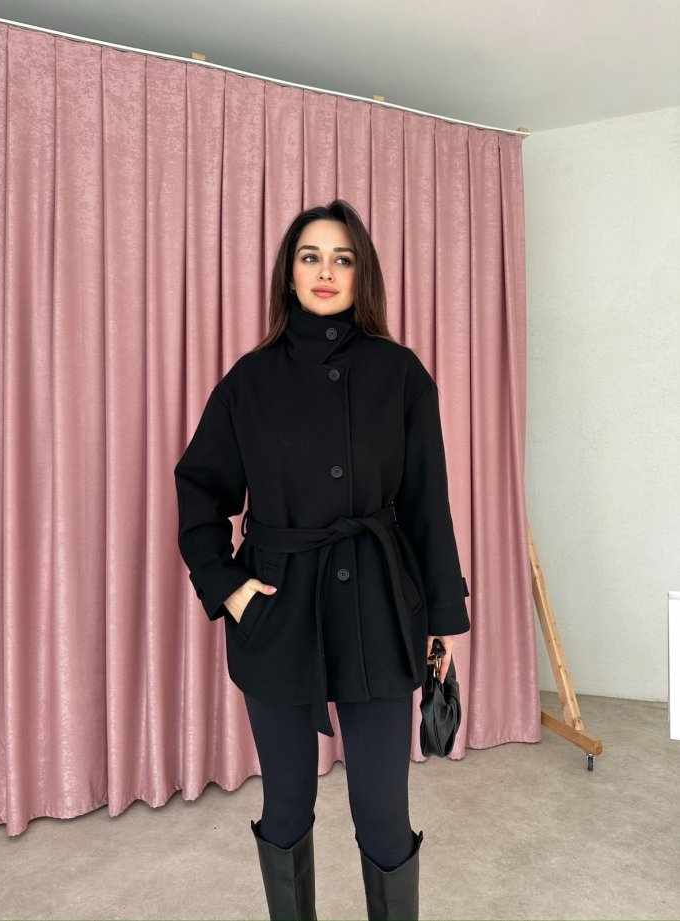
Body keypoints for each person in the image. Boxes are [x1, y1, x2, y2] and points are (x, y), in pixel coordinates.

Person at [173, 199, 470, 921]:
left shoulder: (400, 374)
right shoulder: (248, 381)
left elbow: (427, 504)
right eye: (311, 256)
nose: (326, 271)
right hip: (276, 611)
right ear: (289, 273)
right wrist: (230, 589)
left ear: (362, 274)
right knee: (285, 804)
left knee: (383, 813)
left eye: (343, 258)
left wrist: (443, 618)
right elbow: (199, 489)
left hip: (379, 607)